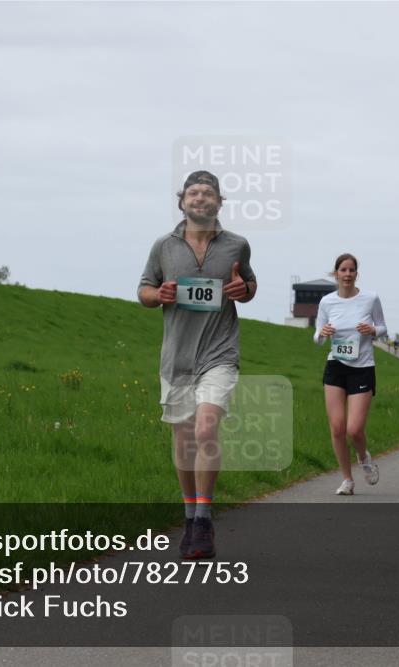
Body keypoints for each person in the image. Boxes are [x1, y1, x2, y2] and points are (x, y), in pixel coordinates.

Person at [138, 170, 257, 559]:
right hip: (177, 356)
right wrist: (159, 294)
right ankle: (189, 516)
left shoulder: (237, 245)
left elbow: (250, 286)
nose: (200, 198)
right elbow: (144, 290)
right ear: (182, 201)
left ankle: (204, 519)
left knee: (206, 428)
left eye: (208, 193)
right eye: (193, 193)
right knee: (184, 439)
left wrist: (244, 289)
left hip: (219, 352)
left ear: (219, 202)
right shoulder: (164, 247)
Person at [314, 253, 387, 495]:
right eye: (343, 270)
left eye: (351, 270)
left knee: (354, 430)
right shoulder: (327, 302)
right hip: (336, 367)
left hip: (362, 368)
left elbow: (383, 329)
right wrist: (322, 333)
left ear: (357, 273)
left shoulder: (370, 298)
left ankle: (364, 458)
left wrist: (372, 330)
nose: (347, 274)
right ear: (336, 273)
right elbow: (317, 338)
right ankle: (347, 480)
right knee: (337, 428)